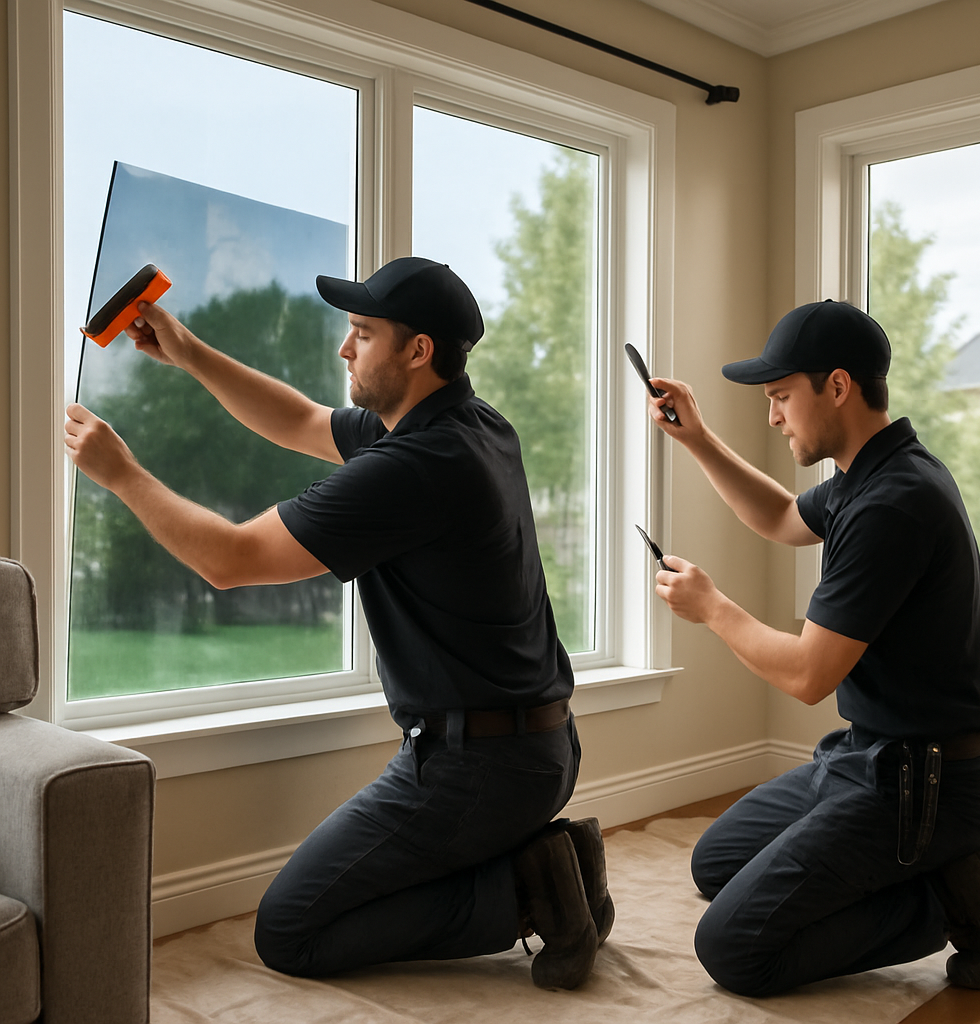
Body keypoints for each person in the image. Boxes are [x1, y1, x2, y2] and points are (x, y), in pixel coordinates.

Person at [64, 256, 613, 989]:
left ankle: (530, 888)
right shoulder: (474, 425)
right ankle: (552, 863)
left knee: (292, 929)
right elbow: (296, 419)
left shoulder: (416, 465)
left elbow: (229, 559)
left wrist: (120, 472)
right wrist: (187, 351)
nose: (344, 348)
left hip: (481, 770)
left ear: (418, 350)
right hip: (537, 748)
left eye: (362, 332)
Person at [643, 298, 980, 996]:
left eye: (782, 396)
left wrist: (714, 607)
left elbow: (810, 675)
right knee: (715, 863)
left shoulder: (894, 503)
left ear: (839, 386)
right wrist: (696, 439)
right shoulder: (866, 477)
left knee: (734, 949)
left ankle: (954, 900)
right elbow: (785, 516)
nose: (773, 415)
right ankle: (913, 869)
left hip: (927, 786)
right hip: (866, 756)